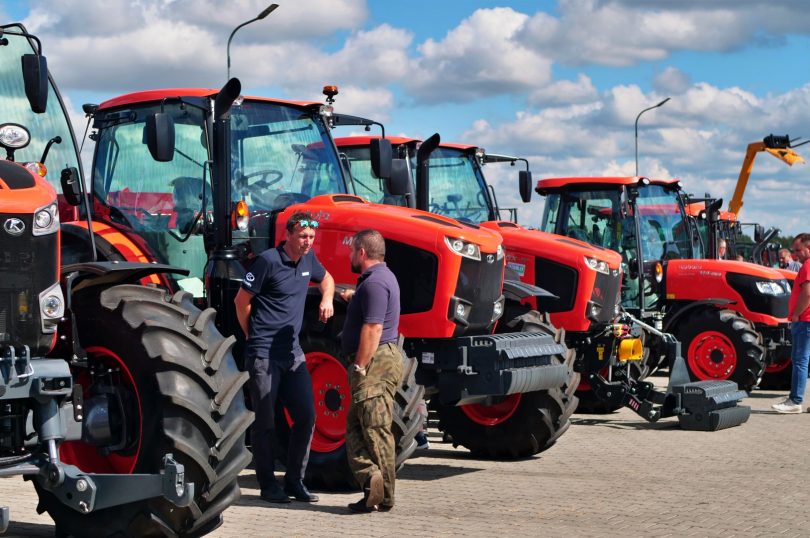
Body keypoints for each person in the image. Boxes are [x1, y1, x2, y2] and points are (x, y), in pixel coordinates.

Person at [234, 211, 335, 503]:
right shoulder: (267, 261)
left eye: (312, 237)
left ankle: (294, 481)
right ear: (288, 235)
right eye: (303, 236)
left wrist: (327, 298)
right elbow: (241, 301)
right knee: (265, 422)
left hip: (293, 354)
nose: (307, 242)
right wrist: (250, 334)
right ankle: (267, 485)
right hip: (264, 355)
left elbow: (326, 278)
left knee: (306, 416)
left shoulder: (308, 260)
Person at [339, 229, 403, 513]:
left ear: (362, 253)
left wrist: (359, 366)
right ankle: (371, 483)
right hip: (377, 360)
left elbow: (374, 327)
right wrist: (354, 298)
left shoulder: (376, 283)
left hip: (374, 363)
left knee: (375, 430)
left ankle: (385, 495)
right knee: (355, 428)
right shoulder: (378, 280)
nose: (350, 255)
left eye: (353, 251)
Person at [773, 233, 810, 414]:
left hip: (805, 320)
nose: (795, 255)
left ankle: (795, 401)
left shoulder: (808, 266)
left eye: (798, 250)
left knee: (799, 360)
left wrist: (796, 314)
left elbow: (807, 293)